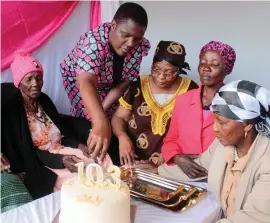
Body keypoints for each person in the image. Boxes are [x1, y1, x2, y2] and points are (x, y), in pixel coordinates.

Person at [2, 52, 111, 199]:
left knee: (99, 159)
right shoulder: (12, 109)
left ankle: (110, 201)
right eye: (29, 79)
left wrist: (79, 145)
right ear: (18, 82)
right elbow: (29, 151)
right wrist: (61, 160)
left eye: (39, 78)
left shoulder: (44, 100)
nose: (35, 83)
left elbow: (60, 133)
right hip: (40, 163)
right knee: (81, 179)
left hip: (60, 150)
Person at [159, 80, 270, 222]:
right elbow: (200, 166)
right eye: (215, 120)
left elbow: (254, 216)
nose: (215, 128)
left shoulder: (266, 161)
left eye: (222, 122)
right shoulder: (222, 145)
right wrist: (156, 170)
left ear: (247, 125)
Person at [60, 2, 151, 163]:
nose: (130, 43)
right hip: (80, 80)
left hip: (111, 84)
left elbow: (125, 81)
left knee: (107, 120)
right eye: (125, 35)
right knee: (89, 121)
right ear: (113, 25)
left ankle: (111, 161)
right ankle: (89, 159)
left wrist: (103, 113)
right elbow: (86, 82)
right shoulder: (93, 43)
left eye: (136, 38)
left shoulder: (137, 46)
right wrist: (99, 120)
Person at [111, 41, 198, 167]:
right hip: (134, 159)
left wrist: (172, 151)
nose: (161, 77)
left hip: (169, 163)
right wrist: (122, 137)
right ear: (152, 65)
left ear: (178, 71)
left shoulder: (190, 89)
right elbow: (119, 117)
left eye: (168, 73)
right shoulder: (139, 84)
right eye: (156, 70)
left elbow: (192, 129)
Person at [161, 41, 236, 179]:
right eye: (203, 63)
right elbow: (170, 139)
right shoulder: (183, 99)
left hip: (219, 176)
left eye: (214, 65)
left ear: (227, 69)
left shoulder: (234, 103)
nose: (206, 68)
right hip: (181, 174)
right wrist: (177, 158)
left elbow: (238, 145)